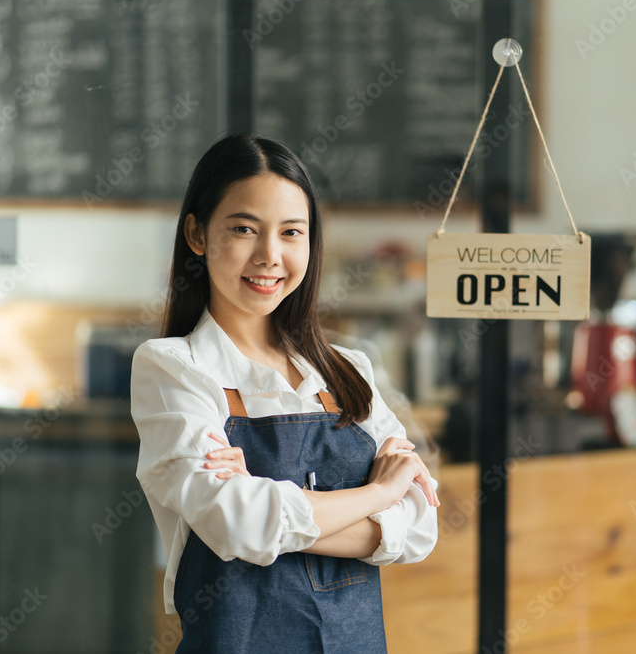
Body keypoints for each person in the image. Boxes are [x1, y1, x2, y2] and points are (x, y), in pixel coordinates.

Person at [131, 133, 440, 653]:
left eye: (291, 232)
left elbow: (420, 528)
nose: (270, 256)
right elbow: (239, 524)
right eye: (245, 229)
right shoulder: (172, 367)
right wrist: (378, 495)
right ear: (197, 234)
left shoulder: (349, 371)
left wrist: (267, 507)